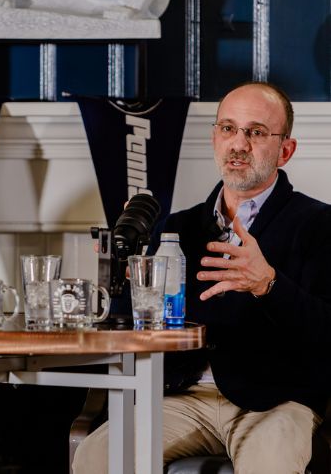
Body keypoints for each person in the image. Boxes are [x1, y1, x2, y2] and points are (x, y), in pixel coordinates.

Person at [73, 82, 331, 473]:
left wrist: (269, 285)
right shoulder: (177, 227)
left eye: (256, 132)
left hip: (276, 402)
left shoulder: (318, 225)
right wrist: (125, 280)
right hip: (181, 398)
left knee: (270, 463)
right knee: (97, 454)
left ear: (286, 150)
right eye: (228, 128)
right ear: (214, 138)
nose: (238, 144)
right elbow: (141, 329)